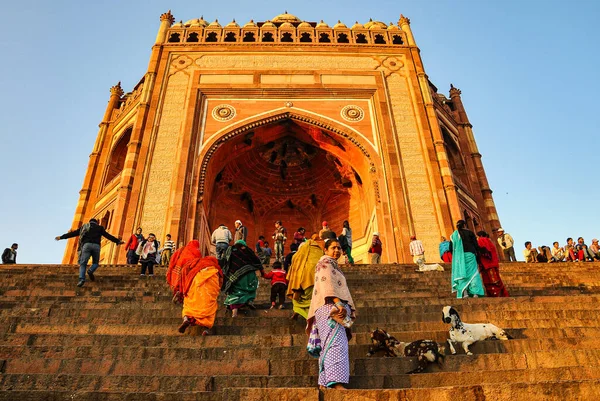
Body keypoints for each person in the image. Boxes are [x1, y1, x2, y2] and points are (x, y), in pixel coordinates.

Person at [306, 238, 356, 390]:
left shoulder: (332, 265)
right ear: (326, 250)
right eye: (333, 247)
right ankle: (336, 383)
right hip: (330, 308)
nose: (337, 251)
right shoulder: (325, 264)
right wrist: (338, 302)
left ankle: (323, 382)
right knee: (336, 344)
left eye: (339, 248)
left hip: (330, 308)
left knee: (328, 344)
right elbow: (326, 283)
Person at [55, 218, 124, 287]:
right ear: (96, 223)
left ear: (89, 222)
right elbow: (108, 235)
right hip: (96, 246)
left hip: (87, 245)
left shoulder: (84, 227)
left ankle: (81, 279)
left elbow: (73, 233)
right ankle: (90, 270)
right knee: (95, 263)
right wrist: (117, 241)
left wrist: (61, 237)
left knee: (83, 263)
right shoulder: (100, 228)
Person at [178, 252, 222, 335]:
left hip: (195, 286)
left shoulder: (198, 264)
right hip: (209, 291)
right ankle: (206, 329)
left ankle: (186, 319)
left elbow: (186, 269)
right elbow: (220, 282)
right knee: (209, 308)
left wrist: (184, 289)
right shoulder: (215, 268)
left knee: (189, 304)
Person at [286, 234, 324, 320]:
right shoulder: (321, 250)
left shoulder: (298, 254)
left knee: (297, 298)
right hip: (320, 280)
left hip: (305, 281)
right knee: (315, 299)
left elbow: (293, 271)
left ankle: (306, 316)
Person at [222, 240, 263, 317]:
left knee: (235, 292)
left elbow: (225, 262)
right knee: (250, 288)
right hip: (249, 276)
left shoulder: (231, 251)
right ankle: (249, 301)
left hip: (234, 276)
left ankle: (234, 312)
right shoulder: (248, 251)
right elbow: (257, 262)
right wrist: (262, 273)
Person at [450, 220, 485, 299]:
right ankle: (475, 293)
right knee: (473, 273)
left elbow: (450, 248)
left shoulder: (454, 235)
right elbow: (476, 245)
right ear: (465, 225)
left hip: (459, 257)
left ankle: (465, 292)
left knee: (461, 274)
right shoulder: (470, 233)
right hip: (470, 255)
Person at [476, 231, 509, 297]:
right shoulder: (489, 240)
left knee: (492, 281)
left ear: (480, 236)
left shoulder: (482, 240)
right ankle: (500, 295)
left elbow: (484, 251)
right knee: (495, 280)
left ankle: (496, 295)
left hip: (487, 264)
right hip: (492, 263)